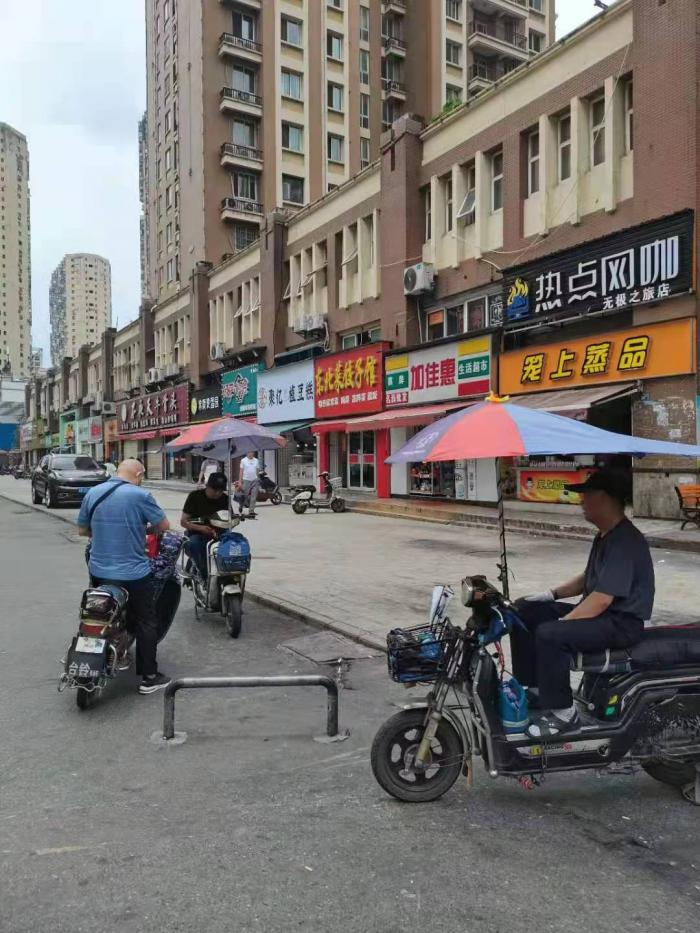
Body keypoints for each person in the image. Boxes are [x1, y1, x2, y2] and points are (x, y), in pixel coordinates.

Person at [510, 470, 654, 739]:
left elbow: (601, 599)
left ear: (604, 498)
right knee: (526, 612)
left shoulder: (625, 541)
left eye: (586, 495)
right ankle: (537, 688)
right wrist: (550, 594)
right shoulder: (605, 535)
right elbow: (589, 577)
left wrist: (564, 623)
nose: (581, 501)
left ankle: (564, 714)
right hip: (603, 616)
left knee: (550, 634)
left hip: (620, 623)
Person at [77, 459, 171, 695]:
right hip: (133, 574)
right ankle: (149, 677)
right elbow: (163, 526)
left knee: (101, 611)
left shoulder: (93, 493)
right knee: (146, 621)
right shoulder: (141, 495)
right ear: (139, 474)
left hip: (99, 571)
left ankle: (109, 649)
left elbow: (82, 530)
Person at [180, 472, 230, 578]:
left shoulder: (225, 498)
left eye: (221, 490)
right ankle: (203, 574)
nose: (218, 493)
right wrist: (200, 528)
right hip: (197, 533)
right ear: (207, 486)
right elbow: (183, 521)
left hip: (219, 533)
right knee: (195, 544)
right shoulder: (194, 496)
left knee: (234, 544)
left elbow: (229, 518)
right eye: (214, 490)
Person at [238, 450, 260, 518]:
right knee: (245, 495)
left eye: (252, 452)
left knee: (254, 496)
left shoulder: (256, 460)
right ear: (247, 453)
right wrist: (240, 481)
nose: (251, 454)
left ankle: (251, 511)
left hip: (255, 480)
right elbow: (241, 472)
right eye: (249, 452)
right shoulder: (243, 460)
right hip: (246, 480)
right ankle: (241, 506)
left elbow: (257, 470)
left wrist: (258, 479)